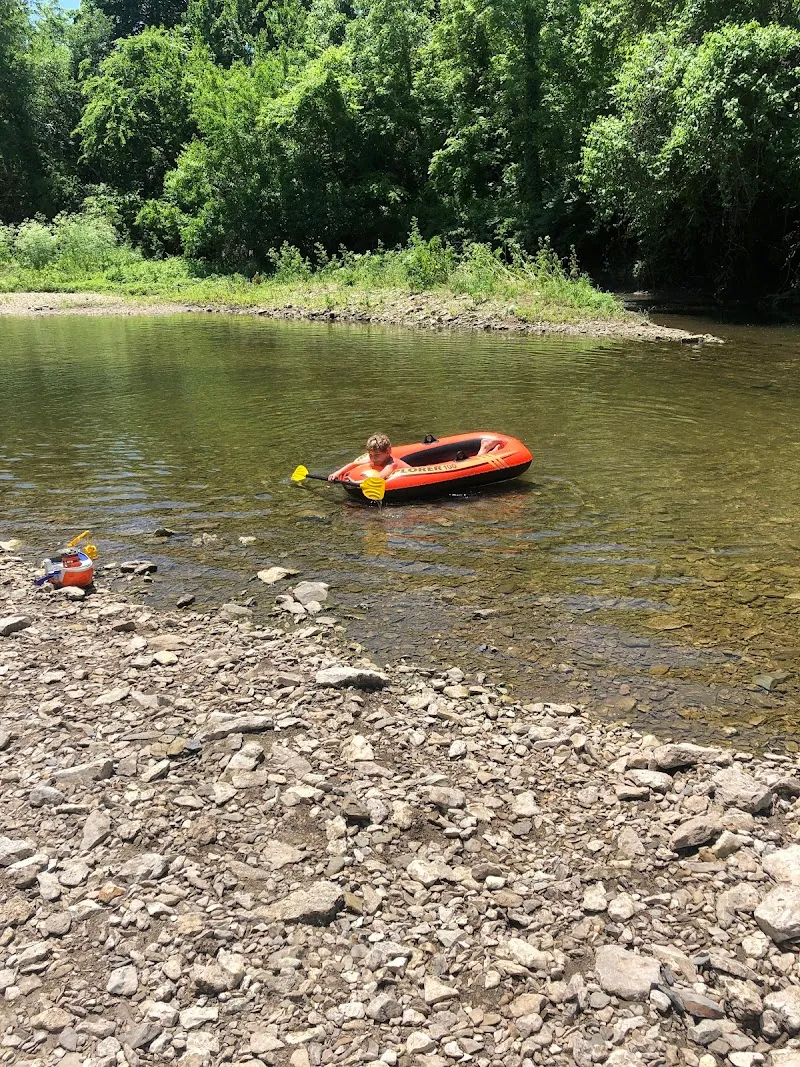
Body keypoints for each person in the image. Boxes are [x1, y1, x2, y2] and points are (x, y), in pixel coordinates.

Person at [329, 432, 411, 482]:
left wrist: (355, 482)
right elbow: (354, 464)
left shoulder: (392, 464)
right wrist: (337, 473)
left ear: (388, 452)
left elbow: (379, 478)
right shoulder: (375, 459)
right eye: (371, 455)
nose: (373, 459)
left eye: (377, 455)